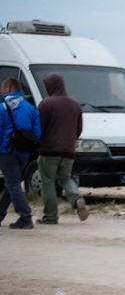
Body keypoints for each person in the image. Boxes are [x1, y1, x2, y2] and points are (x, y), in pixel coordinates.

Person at [36, 73, 88, 224]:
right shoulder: (75, 104)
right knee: (66, 178)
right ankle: (77, 199)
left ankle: (51, 216)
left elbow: (39, 128)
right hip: (69, 150)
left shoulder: (46, 104)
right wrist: (70, 141)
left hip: (49, 150)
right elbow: (79, 129)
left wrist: (38, 144)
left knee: (48, 181)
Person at [0, 77, 40, 229]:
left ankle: (25, 216)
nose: (1, 91)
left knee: (13, 184)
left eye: (2, 88)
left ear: (9, 89)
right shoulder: (31, 108)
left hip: (6, 151)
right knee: (12, 183)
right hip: (24, 152)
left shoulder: (2, 108)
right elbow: (37, 132)